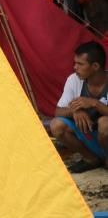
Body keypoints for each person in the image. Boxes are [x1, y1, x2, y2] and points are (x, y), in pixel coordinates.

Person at [50, 41, 108, 173]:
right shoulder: (74, 79)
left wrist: (95, 103)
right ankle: (91, 159)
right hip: (90, 137)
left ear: (95, 66)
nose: (75, 67)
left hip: (105, 136)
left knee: (104, 123)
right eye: (75, 63)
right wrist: (75, 110)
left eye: (80, 64)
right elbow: (58, 111)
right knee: (56, 125)